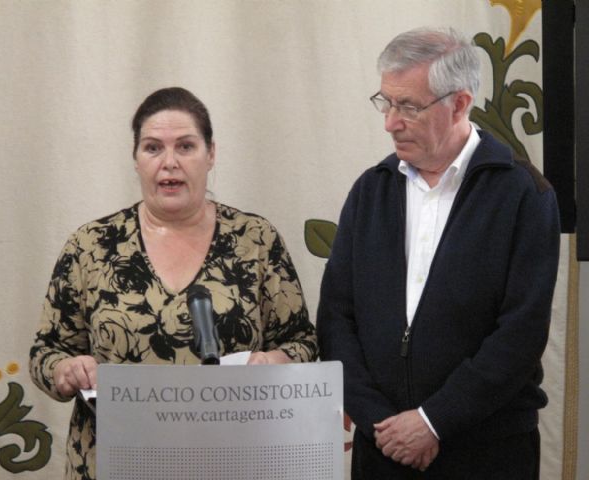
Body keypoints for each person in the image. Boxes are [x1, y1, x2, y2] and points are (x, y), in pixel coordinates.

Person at [29, 86, 318, 480]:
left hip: (233, 463)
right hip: (114, 464)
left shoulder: (256, 239)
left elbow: (302, 342)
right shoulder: (91, 245)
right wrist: (66, 370)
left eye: (185, 146)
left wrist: (276, 361)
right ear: (135, 159)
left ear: (211, 154)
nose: (169, 163)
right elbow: (47, 351)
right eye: (152, 148)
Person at [317, 27, 560, 479]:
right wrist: (380, 423)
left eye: (408, 106)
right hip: (382, 448)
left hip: (488, 451)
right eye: (385, 102)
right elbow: (335, 318)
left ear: (460, 103)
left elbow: (520, 334)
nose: (390, 121)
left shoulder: (524, 193)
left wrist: (433, 422)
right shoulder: (371, 191)